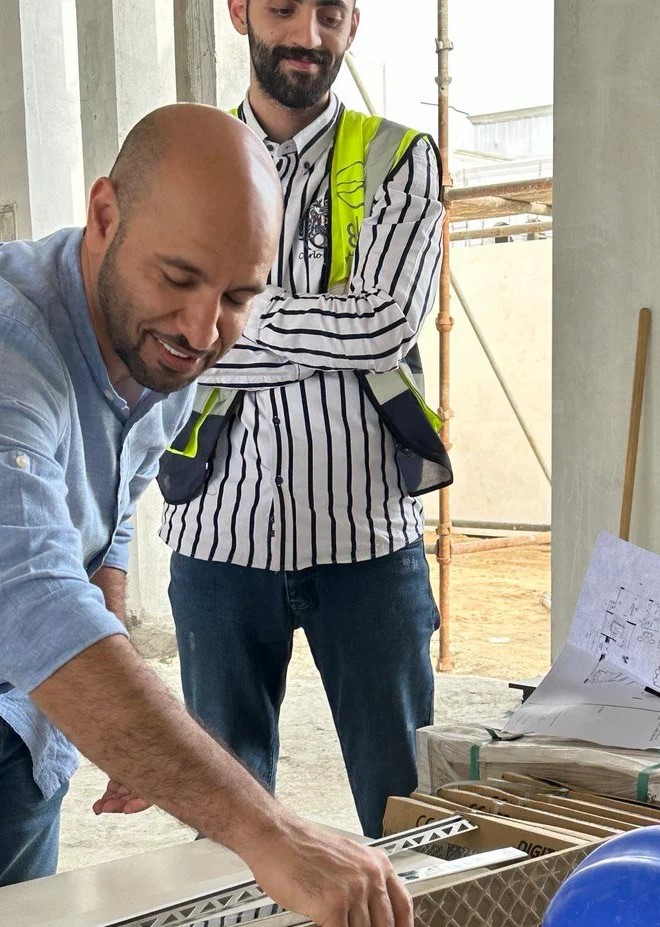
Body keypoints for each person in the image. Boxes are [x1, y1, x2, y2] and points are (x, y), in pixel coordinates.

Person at [0, 102, 411, 927]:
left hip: (23, 733)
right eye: (179, 278)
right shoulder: (14, 350)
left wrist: (119, 720)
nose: (201, 329)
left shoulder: (155, 348)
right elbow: (32, 597)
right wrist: (271, 833)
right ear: (105, 215)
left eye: (237, 295)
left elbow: (106, 518)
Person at [160, 0, 446, 838]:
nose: (307, 36)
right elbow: (162, 331)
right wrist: (328, 328)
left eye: (329, 13)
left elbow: (385, 324)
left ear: (353, 21)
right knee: (224, 823)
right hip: (218, 536)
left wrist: (228, 322)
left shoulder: (398, 157)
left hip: (367, 540)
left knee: (407, 813)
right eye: (284, 8)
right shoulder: (183, 164)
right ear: (239, 11)